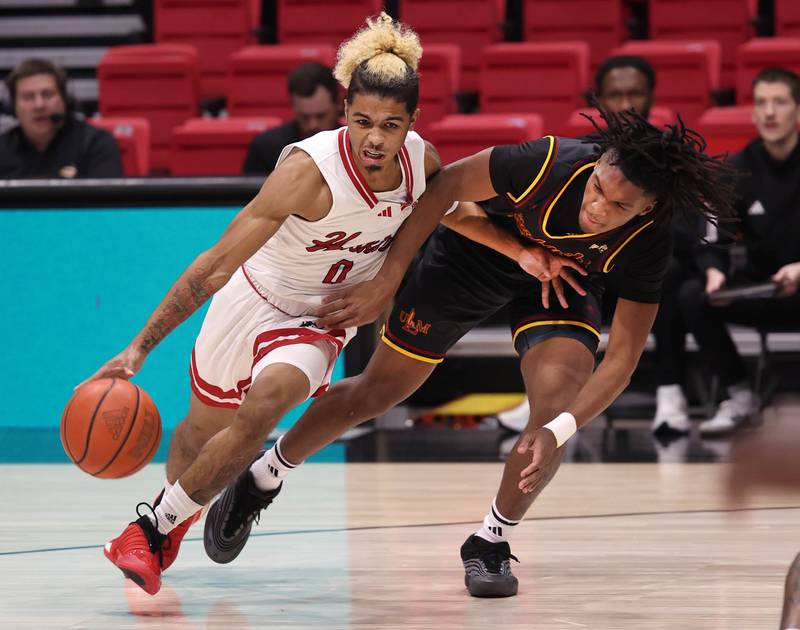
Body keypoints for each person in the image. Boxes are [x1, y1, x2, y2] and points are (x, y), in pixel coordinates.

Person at [90, 13, 577, 597]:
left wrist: (521, 253)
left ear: (412, 123)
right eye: (363, 120)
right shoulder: (307, 171)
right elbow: (216, 263)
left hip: (320, 318)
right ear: (345, 109)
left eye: (391, 125)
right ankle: (175, 521)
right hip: (253, 296)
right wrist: (139, 347)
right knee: (201, 431)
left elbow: (456, 212)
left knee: (266, 408)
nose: (375, 137)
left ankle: (145, 530)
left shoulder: (420, 162)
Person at [205, 108, 738, 597]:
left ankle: (490, 542)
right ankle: (266, 474)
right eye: (599, 187)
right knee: (375, 393)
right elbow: (440, 191)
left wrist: (561, 431)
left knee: (554, 413)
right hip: (473, 257)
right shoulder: (546, 162)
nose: (598, 207)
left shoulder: (650, 240)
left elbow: (621, 358)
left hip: (563, 284)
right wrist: (387, 281)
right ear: (596, 163)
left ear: (648, 209)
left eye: (619, 205)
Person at [679, 67, 800, 436]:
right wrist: (713, 270)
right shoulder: (737, 170)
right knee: (693, 294)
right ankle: (739, 395)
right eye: (761, 103)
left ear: (797, 110)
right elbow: (713, 236)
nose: (769, 112)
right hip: (766, 289)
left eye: (779, 102)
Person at [0, 58, 122, 178]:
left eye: (47, 95)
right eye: (28, 97)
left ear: (65, 100)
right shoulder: (3, 149)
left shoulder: (95, 144)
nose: (39, 105)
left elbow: (106, 196)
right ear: (12, 107)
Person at [241, 61, 341, 176]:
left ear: (339, 104)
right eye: (304, 117)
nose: (313, 124)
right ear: (293, 107)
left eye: (321, 116)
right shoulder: (266, 148)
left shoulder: (355, 145)